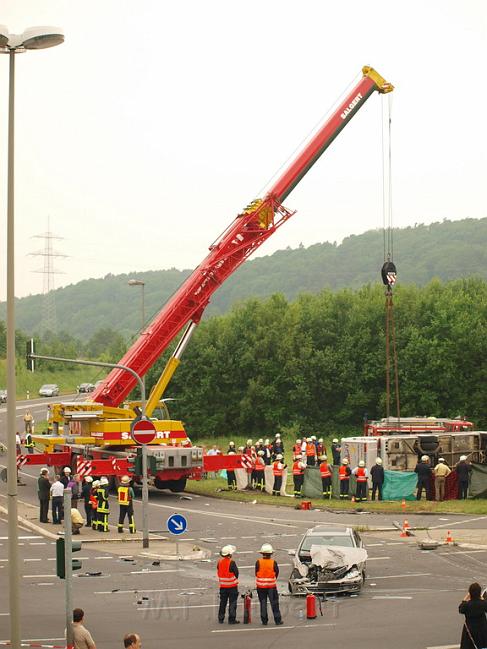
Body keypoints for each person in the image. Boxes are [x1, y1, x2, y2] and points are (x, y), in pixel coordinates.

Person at [255, 544, 283, 626]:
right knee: (274, 603)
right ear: (271, 554)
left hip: (260, 587)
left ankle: (264, 621)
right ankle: (277, 620)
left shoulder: (258, 562)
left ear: (262, 553)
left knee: (263, 603)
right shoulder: (273, 562)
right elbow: (277, 572)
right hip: (271, 587)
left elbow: (256, 573)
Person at [459, 582, 487, 649]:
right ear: (480, 593)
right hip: (482, 631)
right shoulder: (483, 604)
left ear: (470, 593)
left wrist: (467, 597)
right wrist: (481, 597)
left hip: (469, 632)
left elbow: (461, 609)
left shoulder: (466, 605)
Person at [217, 544, 240, 624]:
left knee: (223, 602)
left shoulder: (219, 562)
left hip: (223, 586)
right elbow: (236, 573)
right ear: (230, 554)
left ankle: (221, 618)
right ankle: (231, 619)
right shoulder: (232, 562)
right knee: (232, 603)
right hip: (232, 586)